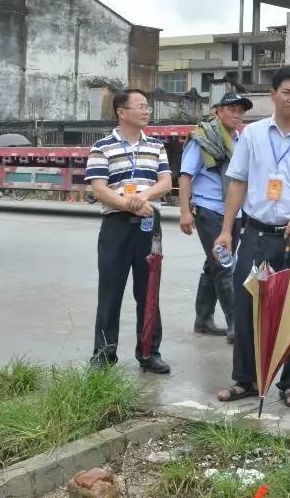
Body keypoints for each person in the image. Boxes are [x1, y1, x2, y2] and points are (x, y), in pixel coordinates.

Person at [214, 65, 290, 408]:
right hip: (257, 233)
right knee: (248, 302)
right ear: (273, 94)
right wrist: (226, 230)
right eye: (288, 92)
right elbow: (237, 181)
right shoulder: (252, 135)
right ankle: (247, 380)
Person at [87, 88, 173, 373]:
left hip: (149, 226)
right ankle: (103, 353)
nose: (146, 111)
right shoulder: (102, 147)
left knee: (148, 291)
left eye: (147, 106)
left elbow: (165, 182)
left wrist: (142, 199)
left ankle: (149, 353)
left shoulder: (156, 146)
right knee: (110, 290)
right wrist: (128, 204)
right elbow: (99, 189)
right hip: (116, 226)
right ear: (121, 112)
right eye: (140, 106)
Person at [178, 91, 253, 341]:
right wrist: (185, 212)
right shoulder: (202, 140)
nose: (237, 115)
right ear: (218, 111)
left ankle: (203, 319)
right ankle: (235, 325)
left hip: (235, 212)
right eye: (232, 109)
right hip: (209, 210)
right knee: (224, 265)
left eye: (241, 111)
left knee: (214, 264)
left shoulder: (242, 142)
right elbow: (185, 176)